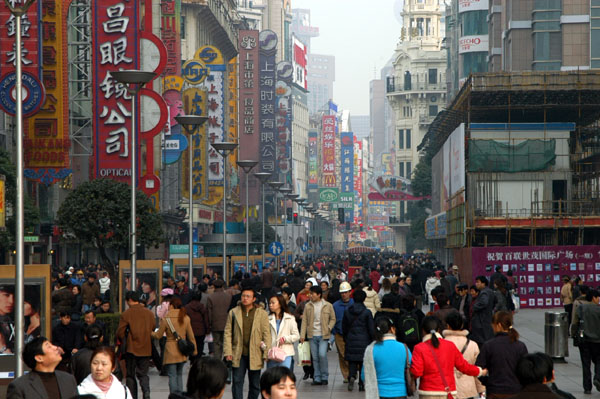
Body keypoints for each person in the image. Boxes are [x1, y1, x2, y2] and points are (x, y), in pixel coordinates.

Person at [410, 316, 486, 399]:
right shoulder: (450, 346)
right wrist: (480, 371)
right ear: (439, 330)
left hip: (428, 392)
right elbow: (464, 366)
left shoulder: (419, 348)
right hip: (448, 392)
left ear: (423, 330)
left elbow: (417, 372)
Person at [223, 287, 271, 399]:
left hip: (255, 353)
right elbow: (228, 333)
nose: (245, 298)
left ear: (254, 299)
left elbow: (266, 334)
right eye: (243, 296)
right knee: (237, 382)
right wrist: (228, 352)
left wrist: (266, 353)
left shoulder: (261, 314)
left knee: (255, 384)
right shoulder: (234, 312)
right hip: (238, 353)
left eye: (248, 296)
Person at [476, 310, 528, 399]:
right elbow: (526, 370)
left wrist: (487, 381)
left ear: (498, 325)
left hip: (495, 390)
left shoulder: (489, 345)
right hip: (515, 390)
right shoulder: (520, 346)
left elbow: (478, 369)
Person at [7, 336, 78, 399]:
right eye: (49, 346)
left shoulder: (69, 379)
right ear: (39, 358)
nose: (55, 347)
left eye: (52, 345)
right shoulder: (20, 386)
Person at [152, 297, 198, 394]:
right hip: (182, 351)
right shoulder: (185, 318)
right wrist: (194, 350)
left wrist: (150, 333)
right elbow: (191, 336)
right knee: (179, 375)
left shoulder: (166, 319)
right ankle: (180, 396)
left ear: (172, 305)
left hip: (170, 350)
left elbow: (158, 335)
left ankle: (174, 395)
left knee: (172, 375)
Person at [116, 291, 156, 399]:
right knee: (143, 374)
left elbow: (120, 332)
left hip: (131, 348)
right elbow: (153, 326)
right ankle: (146, 392)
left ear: (129, 300)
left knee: (130, 374)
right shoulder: (149, 313)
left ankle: (132, 396)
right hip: (146, 348)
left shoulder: (127, 314)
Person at [362, 317, 411, 399]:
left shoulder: (371, 349)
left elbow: (364, 375)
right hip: (400, 393)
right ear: (392, 329)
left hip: (380, 393)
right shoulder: (404, 348)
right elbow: (412, 367)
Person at [442, 311, 485, 399]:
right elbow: (477, 369)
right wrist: (481, 390)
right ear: (462, 325)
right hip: (468, 388)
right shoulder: (472, 344)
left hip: (448, 387)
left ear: (448, 325)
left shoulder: (441, 344)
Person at [300, 285, 336, 385]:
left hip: (323, 335)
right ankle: (317, 377)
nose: (310, 295)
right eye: (310, 294)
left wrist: (329, 327)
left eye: (312, 294)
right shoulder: (308, 306)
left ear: (319, 294)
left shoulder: (328, 305)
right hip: (312, 335)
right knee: (315, 357)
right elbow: (304, 321)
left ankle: (325, 376)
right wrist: (302, 335)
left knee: (322, 355)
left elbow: (333, 319)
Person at [342, 289, 374, 392]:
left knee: (352, 361)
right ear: (364, 299)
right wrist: (373, 339)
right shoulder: (367, 312)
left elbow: (344, 327)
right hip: (364, 340)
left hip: (351, 339)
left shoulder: (347, 311)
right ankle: (361, 383)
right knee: (363, 362)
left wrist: (346, 338)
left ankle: (351, 376)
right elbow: (371, 328)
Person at [574, 289, 600, 394]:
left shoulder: (581, 308)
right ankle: (597, 378)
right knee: (599, 361)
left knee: (585, 363)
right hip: (598, 341)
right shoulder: (599, 310)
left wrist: (573, 334)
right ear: (594, 297)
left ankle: (587, 387)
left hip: (584, 340)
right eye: (598, 297)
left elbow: (575, 323)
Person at [267, 295, 299, 369]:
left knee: (283, 376)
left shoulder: (290, 318)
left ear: (280, 304)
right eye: (269, 303)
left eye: (273, 303)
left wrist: (285, 339)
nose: (270, 305)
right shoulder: (268, 319)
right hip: (271, 353)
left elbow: (296, 335)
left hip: (286, 353)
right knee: (272, 378)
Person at [332, 281, 353, 382]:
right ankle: (346, 375)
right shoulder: (335, 305)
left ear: (350, 292)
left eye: (345, 292)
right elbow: (332, 319)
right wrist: (334, 331)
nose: (344, 294)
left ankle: (352, 371)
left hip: (352, 334)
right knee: (342, 355)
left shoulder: (354, 304)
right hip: (339, 333)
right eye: (342, 293)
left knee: (350, 354)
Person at [207, 279, 232, 362]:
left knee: (216, 343)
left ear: (214, 286)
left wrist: (209, 323)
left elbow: (209, 312)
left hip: (215, 324)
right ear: (222, 286)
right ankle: (226, 360)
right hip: (227, 323)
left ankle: (217, 361)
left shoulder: (210, 297)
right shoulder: (228, 296)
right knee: (226, 342)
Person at [470, 276, 495, 346]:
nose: (476, 284)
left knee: (482, 343)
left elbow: (484, 302)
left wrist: (474, 307)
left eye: (478, 282)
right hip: (487, 319)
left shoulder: (484, 292)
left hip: (481, 321)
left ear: (483, 283)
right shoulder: (490, 291)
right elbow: (495, 302)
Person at [185, 289, 210, 359]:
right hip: (201, 331)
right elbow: (206, 319)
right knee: (200, 346)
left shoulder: (187, 307)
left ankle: (192, 359)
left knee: (191, 345)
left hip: (190, 330)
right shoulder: (202, 307)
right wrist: (207, 330)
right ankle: (198, 359)